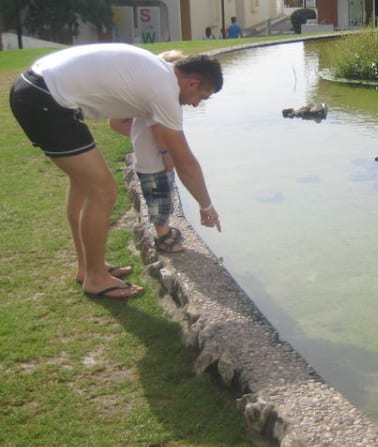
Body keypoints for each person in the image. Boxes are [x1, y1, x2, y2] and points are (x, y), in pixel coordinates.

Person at [9, 44, 223, 300]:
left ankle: (87, 268)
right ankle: (96, 279)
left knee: (83, 184)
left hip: (35, 89)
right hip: (45, 101)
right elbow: (185, 163)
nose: (197, 104)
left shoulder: (157, 68)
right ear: (191, 83)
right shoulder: (165, 91)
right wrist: (206, 205)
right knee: (103, 190)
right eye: (202, 97)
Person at [109, 50, 186, 255]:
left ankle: (164, 230)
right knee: (160, 197)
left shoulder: (144, 99)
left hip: (147, 159)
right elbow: (157, 129)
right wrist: (165, 153)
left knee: (160, 196)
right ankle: (163, 237)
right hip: (155, 162)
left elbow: (115, 123)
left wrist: (139, 139)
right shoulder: (160, 100)